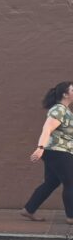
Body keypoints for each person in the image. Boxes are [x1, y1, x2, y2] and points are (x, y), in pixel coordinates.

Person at [21, 81, 73, 224]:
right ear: (65, 94)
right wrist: (40, 147)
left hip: (58, 152)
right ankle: (71, 217)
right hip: (58, 152)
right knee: (71, 183)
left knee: (51, 182)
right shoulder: (59, 110)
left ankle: (29, 209)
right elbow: (47, 129)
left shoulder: (65, 110)